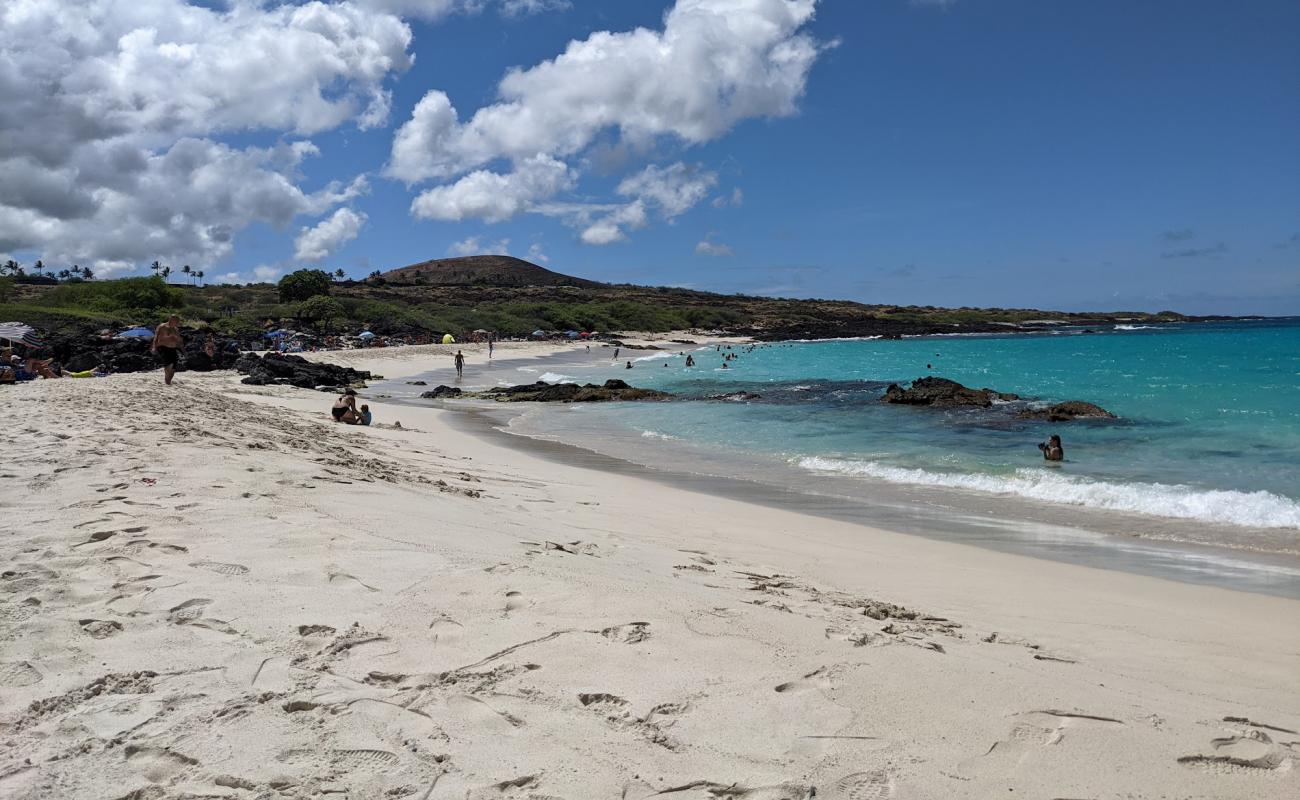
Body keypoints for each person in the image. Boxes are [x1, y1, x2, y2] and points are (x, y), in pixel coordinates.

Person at [152, 315, 183, 385]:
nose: (177, 322)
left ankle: (168, 380)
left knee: (174, 366)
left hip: (173, 348)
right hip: (163, 347)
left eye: (177, 321)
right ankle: (167, 381)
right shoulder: (162, 326)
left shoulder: (175, 329)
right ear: (171, 319)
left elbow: (179, 340)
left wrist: (183, 350)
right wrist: (154, 347)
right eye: (176, 321)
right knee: (169, 364)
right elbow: (155, 337)